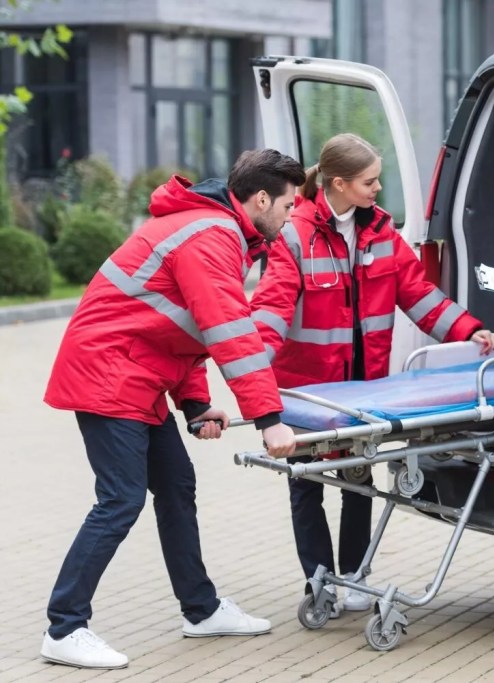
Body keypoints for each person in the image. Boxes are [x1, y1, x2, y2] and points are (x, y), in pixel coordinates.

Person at [40, 149, 305, 670]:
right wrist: (269, 419)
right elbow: (229, 332)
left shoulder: (219, 231)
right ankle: (64, 628)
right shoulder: (212, 236)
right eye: (288, 204)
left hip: (138, 375)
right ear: (260, 199)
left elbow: (184, 328)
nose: (291, 215)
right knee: (120, 500)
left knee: (177, 485)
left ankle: (201, 610)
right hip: (109, 373)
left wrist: (196, 404)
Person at [250, 133, 494, 616]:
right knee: (306, 487)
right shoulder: (294, 235)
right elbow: (272, 309)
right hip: (308, 394)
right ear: (338, 183)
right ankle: (318, 582)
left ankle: (354, 577)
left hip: (362, 392)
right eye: (369, 181)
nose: (378, 189)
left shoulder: (381, 232)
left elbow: (418, 294)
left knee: (358, 482)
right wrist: (251, 369)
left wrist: (469, 330)